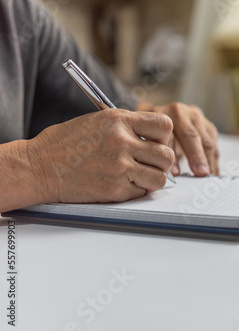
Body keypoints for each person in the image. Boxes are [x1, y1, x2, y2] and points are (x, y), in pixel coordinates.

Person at [0, 0, 219, 213]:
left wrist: (156, 119)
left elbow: (122, 109)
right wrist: (38, 168)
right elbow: (49, 162)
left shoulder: (19, 14)